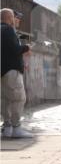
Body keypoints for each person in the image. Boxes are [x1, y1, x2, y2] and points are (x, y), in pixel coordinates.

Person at [1, 8, 31, 139]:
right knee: (18, 98)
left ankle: (7, 127)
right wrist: (27, 47)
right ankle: (16, 128)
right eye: (13, 17)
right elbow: (15, 49)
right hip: (12, 71)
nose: (14, 19)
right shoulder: (8, 30)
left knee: (5, 100)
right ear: (9, 18)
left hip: (1, 71)